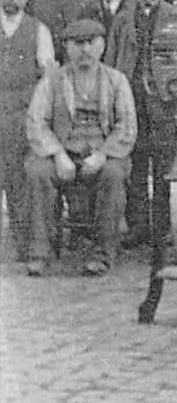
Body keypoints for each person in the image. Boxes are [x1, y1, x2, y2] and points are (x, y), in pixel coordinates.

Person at [21, 19, 134, 276]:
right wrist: (59, 154)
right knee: (38, 172)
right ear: (67, 47)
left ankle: (103, 254)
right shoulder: (53, 81)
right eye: (77, 43)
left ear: (102, 46)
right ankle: (40, 251)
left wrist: (103, 155)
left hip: (103, 154)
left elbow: (126, 126)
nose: (84, 50)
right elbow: (36, 121)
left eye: (90, 43)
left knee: (114, 175)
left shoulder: (116, 80)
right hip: (64, 153)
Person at [0, 0, 53, 259]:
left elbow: (47, 81)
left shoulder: (38, 30)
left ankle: (25, 246)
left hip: (23, 116)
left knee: (22, 181)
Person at [120, 0, 174, 250]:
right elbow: (115, 59)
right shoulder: (124, 19)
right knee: (136, 166)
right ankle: (138, 225)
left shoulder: (173, 17)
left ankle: (163, 228)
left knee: (163, 167)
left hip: (163, 101)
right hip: (131, 98)